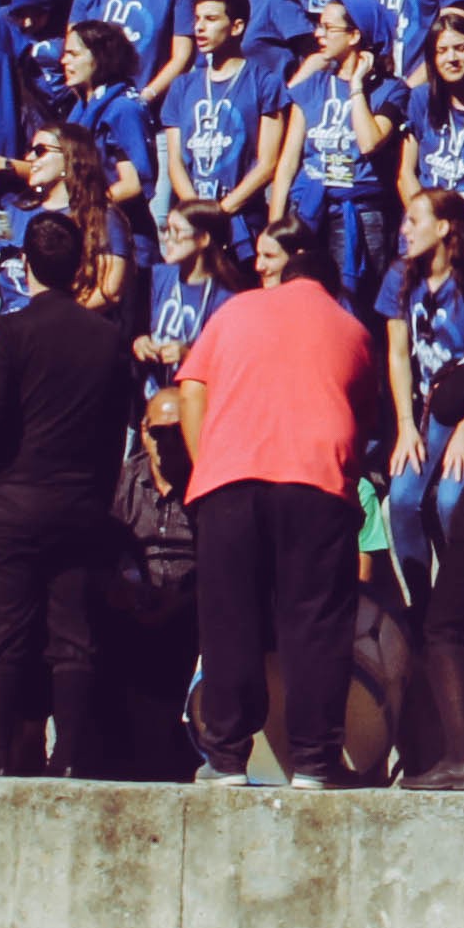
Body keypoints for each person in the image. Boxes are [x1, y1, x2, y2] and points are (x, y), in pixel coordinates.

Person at [172, 214, 375, 785]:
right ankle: (313, 762)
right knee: (314, 622)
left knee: (228, 618)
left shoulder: (233, 309)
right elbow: (361, 419)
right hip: (315, 484)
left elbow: (191, 387)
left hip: (229, 481)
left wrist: (203, 463)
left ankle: (227, 758)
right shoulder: (351, 327)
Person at [0, 209, 138, 775]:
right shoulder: (108, 339)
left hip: (13, 503)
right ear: (79, 267)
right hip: (81, 505)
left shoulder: (8, 333)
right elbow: (117, 425)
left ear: (26, 265)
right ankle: (73, 759)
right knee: (73, 635)